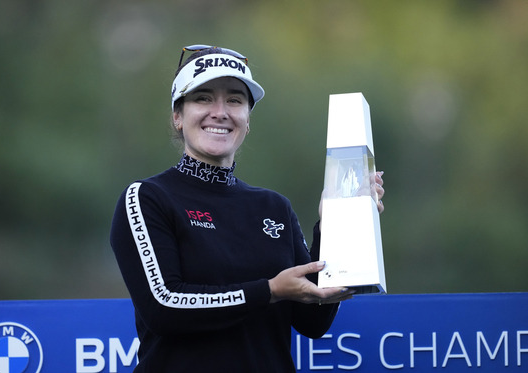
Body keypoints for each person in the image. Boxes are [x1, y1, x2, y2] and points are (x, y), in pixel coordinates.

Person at [110, 44, 385, 372]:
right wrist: (268, 291)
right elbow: (164, 306)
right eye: (203, 98)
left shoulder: (273, 206)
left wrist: (336, 226)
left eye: (235, 100)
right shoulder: (147, 197)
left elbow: (313, 321)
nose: (220, 111)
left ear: (247, 120)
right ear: (178, 116)